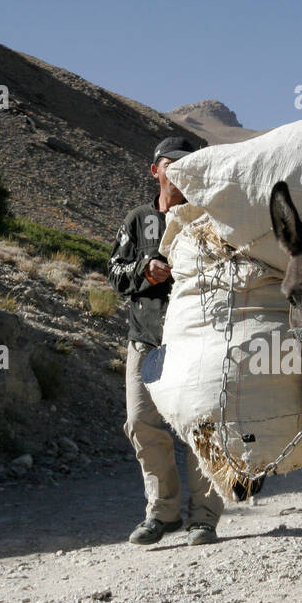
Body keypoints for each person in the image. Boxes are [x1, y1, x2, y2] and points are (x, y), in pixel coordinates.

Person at [108, 136, 223, 546]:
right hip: (146, 340)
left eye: (186, 165)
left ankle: (204, 518)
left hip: (199, 343)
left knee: (202, 427)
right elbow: (115, 274)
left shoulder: (210, 218)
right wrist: (144, 267)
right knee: (141, 424)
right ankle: (162, 512)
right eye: (170, 164)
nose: (177, 172)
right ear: (154, 170)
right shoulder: (139, 220)